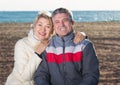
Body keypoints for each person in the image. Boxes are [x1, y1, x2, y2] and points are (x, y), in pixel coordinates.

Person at [5, 11, 86, 85]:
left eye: (47, 26)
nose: (42, 30)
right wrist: (37, 54)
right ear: (34, 26)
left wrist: (83, 35)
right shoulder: (22, 44)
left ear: (52, 30)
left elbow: (68, 37)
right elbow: (24, 78)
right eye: (40, 25)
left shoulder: (52, 43)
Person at [34, 8, 99, 85]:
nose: (61, 24)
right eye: (57, 22)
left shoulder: (85, 45)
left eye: (65, 20)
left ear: (72, 22)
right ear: (53, 26)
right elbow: (41, 75)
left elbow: (91, 76)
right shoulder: (47, 47)